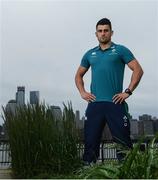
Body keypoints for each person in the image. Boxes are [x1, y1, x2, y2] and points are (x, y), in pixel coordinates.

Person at [75, 18, 144, 164]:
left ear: (111, 32)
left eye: (106, 30)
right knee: (90, 143)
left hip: (115, 103)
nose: (103, 33)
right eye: (100, 31)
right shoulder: (90, 54)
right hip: (95, 105)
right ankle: (89, 172)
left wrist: (128, 91)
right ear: (96, 34)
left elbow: (138, 69)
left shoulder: (120, 50)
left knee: (123, 145)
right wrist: (82, 92)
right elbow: (78, 75)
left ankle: (127, 173)